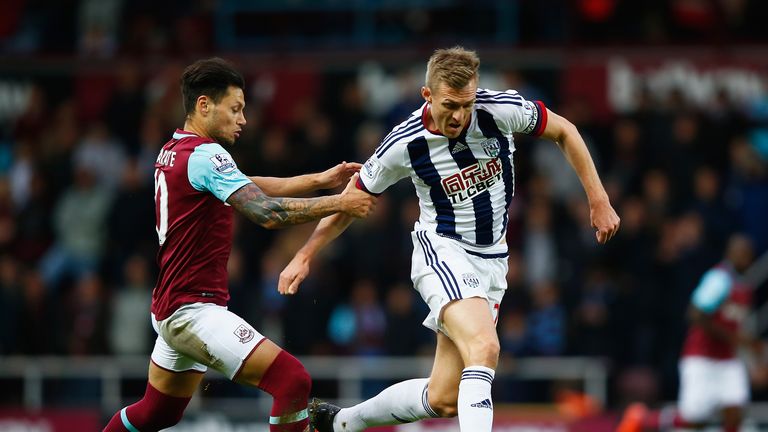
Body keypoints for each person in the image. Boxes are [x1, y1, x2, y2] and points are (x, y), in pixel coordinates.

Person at [278, 46, 620, 432]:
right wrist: (305, 254)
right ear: (427, 95)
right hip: (442, 250)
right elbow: (350, 202)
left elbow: (565, 131)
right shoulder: (403, 143)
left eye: (467, 104)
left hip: (493, 261)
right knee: (486, 347)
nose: (459, 115)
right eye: (450, 105)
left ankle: (338, 422)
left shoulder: (499, 110)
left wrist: (598, 199)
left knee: (443, 399)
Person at [103, 57, 376, 432]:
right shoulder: (206, 155)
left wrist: (319, 179)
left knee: (157, 413)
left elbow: (250, 184)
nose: (243, 119)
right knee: (293, 381)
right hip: (193, 311)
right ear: (204, 105)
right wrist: (340, 202)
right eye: (235, 109)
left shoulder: (175, 149)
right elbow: (267, 213)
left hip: (171, 305)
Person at [617, 233, 760, 432]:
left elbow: (736, 325)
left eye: (747, 255)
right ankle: (644, 419)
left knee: (735, 412)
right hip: (701, 356)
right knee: (693, 419)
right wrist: (734, 339)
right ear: (730, 254)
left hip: (727, 359)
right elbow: (695, 315)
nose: (744, 259)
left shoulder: (744, 286)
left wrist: (749, 353)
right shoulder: (719, 279)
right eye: (740, 254)